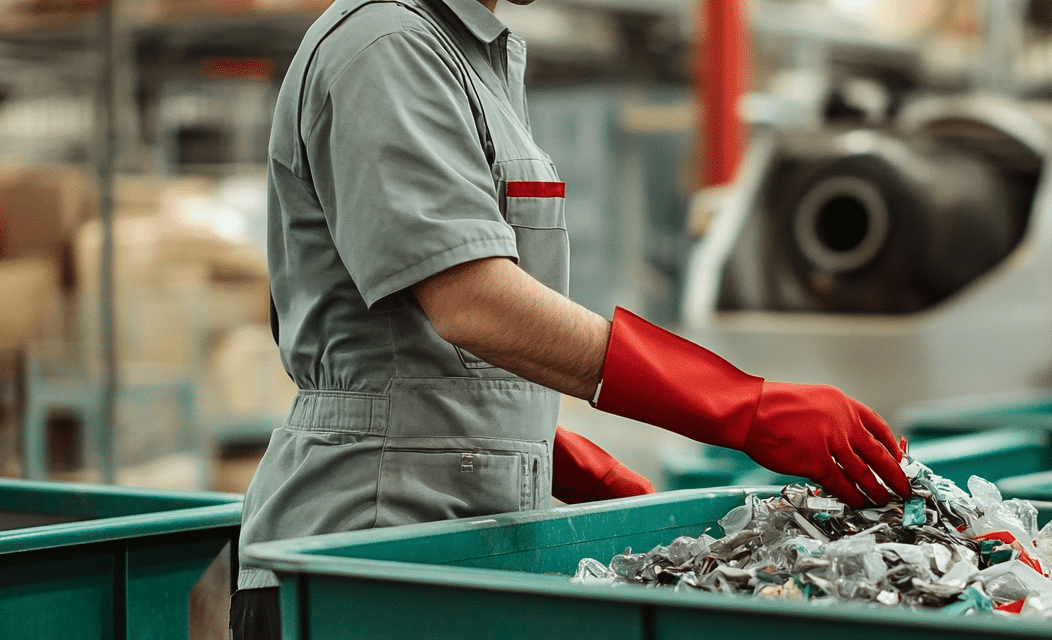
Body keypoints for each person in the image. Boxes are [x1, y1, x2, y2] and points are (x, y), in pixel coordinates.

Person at [232, 0, 910, 636]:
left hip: (441, 549)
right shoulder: (389, 48)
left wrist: (546, 452)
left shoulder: (466, 56)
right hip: (358, 559)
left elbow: (407, 350)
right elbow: (472, 301)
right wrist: (740, 406)